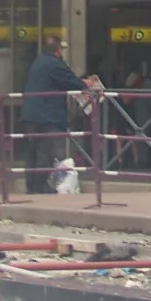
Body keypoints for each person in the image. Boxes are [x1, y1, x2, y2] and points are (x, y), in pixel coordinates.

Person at [20, 40, 98, 194]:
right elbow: (71, 81)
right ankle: (39, 187)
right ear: (57, 51)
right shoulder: (55, 64)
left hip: (31, 114)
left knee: (32, 152)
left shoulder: (38, 62)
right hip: (48, 116)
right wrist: (85, 84)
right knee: (45, 152)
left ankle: (31, 186)